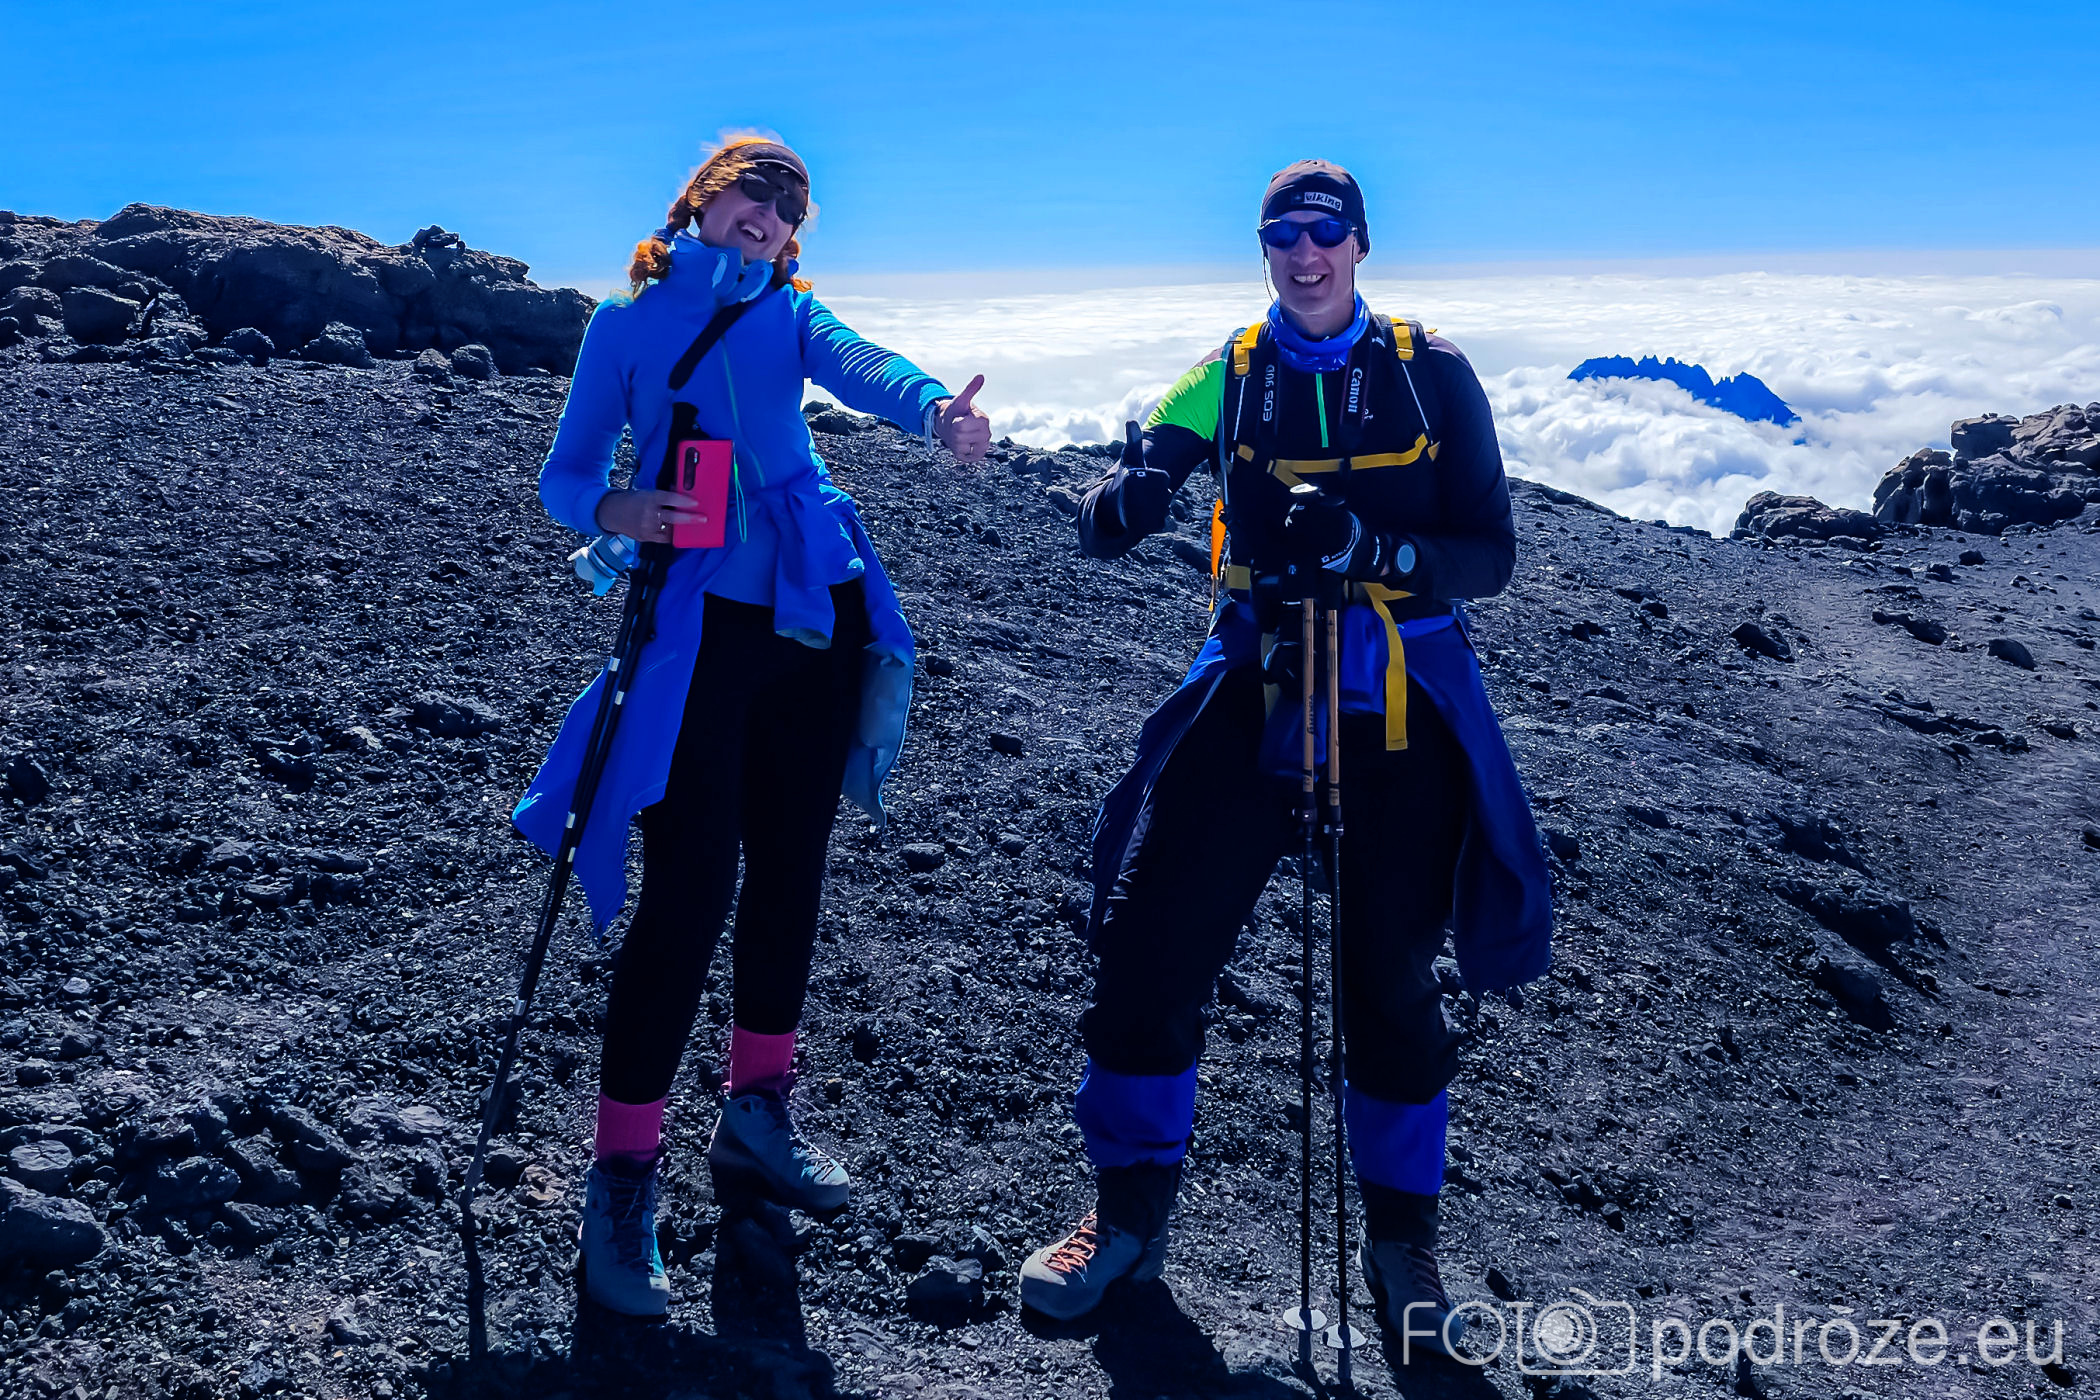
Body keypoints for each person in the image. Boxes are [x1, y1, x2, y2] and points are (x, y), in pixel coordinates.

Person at [1018, 160, 1551, 1351]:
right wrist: (1129, 495)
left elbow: (1491, 553)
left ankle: (1403, 1242)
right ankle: (1125, 1214)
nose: (1303, 253)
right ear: (1264, 250)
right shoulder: (1232, 369)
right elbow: (1143, 470)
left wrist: (1380, 550)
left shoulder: (1432, 371)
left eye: (1324, 232)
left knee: (1389, 975)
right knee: (1154, 942)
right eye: (1281, 235)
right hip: (1261, 677)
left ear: (1359, 244)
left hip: (1398, 693)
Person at [512, 135, 991, 1317]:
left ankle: (757, 1113)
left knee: (791, 871)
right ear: (702, 201)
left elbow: (865, 365)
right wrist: (624, 504)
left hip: (816, 608)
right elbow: (566, 475)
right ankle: (622, 1174)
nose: (771, 212)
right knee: (687, 891)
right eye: (754, 190)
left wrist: (936, 410)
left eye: (791, 203)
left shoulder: (790, 311)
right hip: (701, 630)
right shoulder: (626, 324)